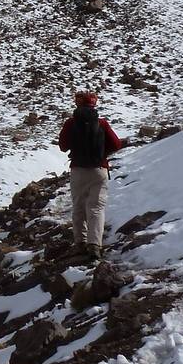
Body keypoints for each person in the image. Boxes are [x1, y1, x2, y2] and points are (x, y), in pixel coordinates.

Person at [57, 90, 124, 259]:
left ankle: (80, 242)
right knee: (95, 208)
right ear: (94, 104)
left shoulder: (70, 123)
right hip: (98, 169)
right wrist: (103, 153)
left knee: (78, 206)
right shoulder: (102, 123)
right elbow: (116, 144)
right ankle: (94, 245)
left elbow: (63, 146)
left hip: (78, 169)